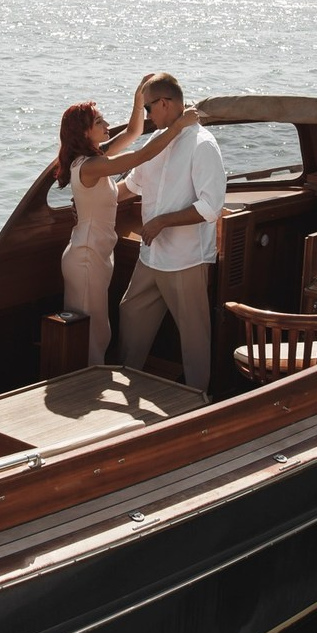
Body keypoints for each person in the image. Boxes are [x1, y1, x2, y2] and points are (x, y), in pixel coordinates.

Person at [56, 78, 201, 366]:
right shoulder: (92, 166)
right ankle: (84, 392)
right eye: (99, 121)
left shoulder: (92, 157)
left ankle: (89, 386)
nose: (106, 123)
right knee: (91, 334)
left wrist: (138, 99)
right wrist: (179, 126)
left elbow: (135, 132)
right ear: (85, 132)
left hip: (94, 252)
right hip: (86, 257)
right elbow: (143, 154)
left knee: (97, 329)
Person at [117, 73, 225, 395]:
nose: (148, 116)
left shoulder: (203, 145)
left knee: (193, 338)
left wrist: (163, 221)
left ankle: (197, 403)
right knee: (130, 311)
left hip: (185, 260)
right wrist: (92, 195)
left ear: (164, 103)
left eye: (149, 108)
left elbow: (210, 207)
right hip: (151, 256)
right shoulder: (157, 142)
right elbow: (131, 185)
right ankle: (125, 384)